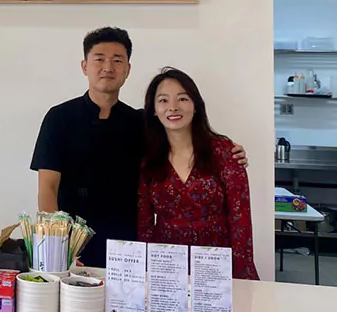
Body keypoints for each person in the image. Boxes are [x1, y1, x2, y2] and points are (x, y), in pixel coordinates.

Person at [30, 27, 247, 268]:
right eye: (99, 59)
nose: (108, 67)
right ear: (84, 66)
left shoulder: (142, 123)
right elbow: (47, 188)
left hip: (129, 248)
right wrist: (59, 248)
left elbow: (183, 138)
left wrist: (228, 151)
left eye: (117, 60)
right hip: (74, 247)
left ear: (128, 69)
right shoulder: (59, 118)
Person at [136, 67, 259, 280]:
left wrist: (242, 273)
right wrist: (143, 272)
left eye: (182, 99)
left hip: (215, 259)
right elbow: (144, 224)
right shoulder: (148, 159)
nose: (173, 107)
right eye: (163, 100)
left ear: (195, 105)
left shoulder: (224, 152)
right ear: (154, 110)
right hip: (166, 262)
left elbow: (241, 221)